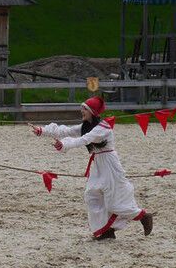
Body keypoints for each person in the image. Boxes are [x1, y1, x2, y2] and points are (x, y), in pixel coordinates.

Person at [31, 96, 153, 241]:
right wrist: (42, 131)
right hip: (98, 164)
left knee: (114, 202)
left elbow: (86, 139)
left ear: (93, 112)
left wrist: (65, 145)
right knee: (92, 196)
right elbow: (65, 131)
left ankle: (143, 216)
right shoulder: (85, 126)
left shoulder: (103, 127)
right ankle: (107, 231)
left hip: (109, 164)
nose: (81, 110)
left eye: (85, 108)